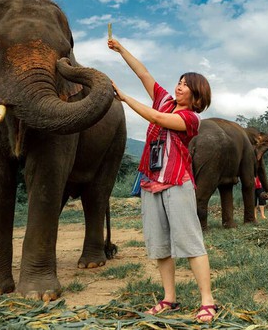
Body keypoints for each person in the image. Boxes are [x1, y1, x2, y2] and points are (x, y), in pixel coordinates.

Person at [107, 37, 218, 323]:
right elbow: (144, 74)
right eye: (179, 81)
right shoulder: (166, 100)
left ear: (197, 97)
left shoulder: (191, 119)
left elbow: (154, 117)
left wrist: (125, 98)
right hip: (151, 182)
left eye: (185, 84)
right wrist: (121, 50)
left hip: (177, 183)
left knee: (191, 242)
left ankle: (208, 300)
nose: (179, 85)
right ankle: (169, 297)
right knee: (159, 245)